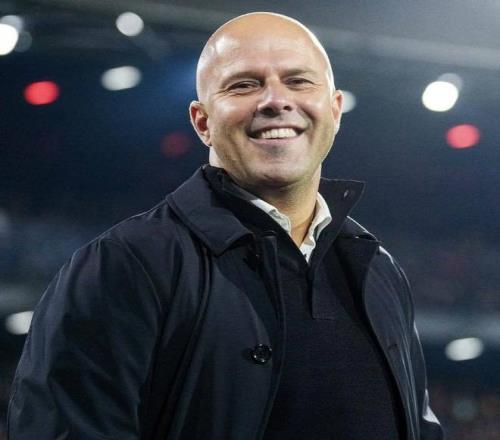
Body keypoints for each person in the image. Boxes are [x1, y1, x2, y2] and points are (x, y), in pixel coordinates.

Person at [7, 12, 443, 440]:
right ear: (202, 123)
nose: (275, 100)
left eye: (298, 81)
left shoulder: (377, 268)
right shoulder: (124, 265)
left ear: (335, 110)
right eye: (244, 85)